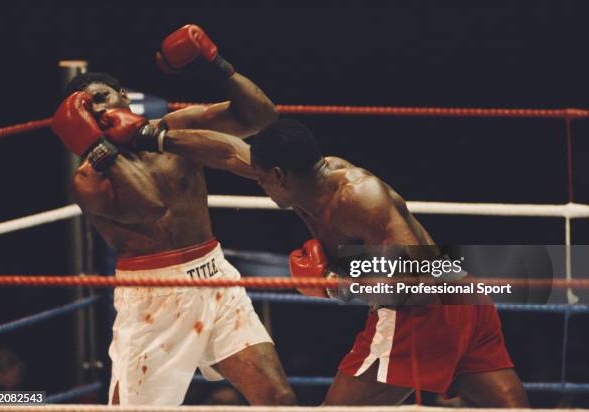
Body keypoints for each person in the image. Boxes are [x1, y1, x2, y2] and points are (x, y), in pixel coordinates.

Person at [135, 118, 530, 407]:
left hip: (424, 311)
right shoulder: (303, 181)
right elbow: (228, 152)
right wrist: (153, 135)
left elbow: (415, 285)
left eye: (262, 179)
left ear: (279, 175)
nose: (257, 183)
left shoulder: (359, 199)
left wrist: (333, 286)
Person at [50, 24, 295, 406]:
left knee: (277, 397)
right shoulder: (87, 179)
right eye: (86, 108)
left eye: (101, 97)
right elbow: (151, 206)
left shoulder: (173, 128)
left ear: (123, 97)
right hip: (153, 299)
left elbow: (262, 116)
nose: (97, 108)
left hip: (215, 275)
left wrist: (214, 63)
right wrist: (98, 147)